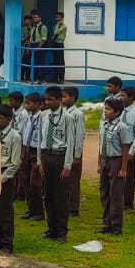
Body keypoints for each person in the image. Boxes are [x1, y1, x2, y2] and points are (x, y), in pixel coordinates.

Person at [37, 86, 74, 243]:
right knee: (48, 194)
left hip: (60, 156)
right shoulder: (43, 116)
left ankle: (61, 231)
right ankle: (51, 227)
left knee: (60, 196)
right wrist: (39, 161)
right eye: (46, 99)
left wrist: (67, 166)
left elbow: (71, 142)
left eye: (50, 100)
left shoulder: (67, 118)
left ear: (59, 100)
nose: (47, 102)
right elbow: (40, 139)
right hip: (46, 155)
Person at [97, 98, 133, 235]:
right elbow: (101, 144)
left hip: (116, 160)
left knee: (116, 193)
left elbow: (125, 148)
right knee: (104, 192)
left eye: (108, 109)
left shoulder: (122, 127)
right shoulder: (103, 125)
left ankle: (116, 226)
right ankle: (107, 223)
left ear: (117, 112)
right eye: (105, 109)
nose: (105, 112)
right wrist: (99, 163)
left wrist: (123, 168)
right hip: (105, 159)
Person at [0, 104, 21, 253]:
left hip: (5, 175)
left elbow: (14, 163)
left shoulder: (15, 137)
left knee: (5, 210)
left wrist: (2, 178)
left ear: (8, 119)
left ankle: (7, 243)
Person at [18, 92, 45, 221]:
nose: (26, 106)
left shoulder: (42, 118)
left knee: (35, 183)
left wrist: (40, 158)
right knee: (25, 180)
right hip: (26, 150)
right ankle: (31, 209)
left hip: (36, 151)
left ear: (38, 104)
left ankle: (39, 211)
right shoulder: (28, 117)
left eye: (29, 103)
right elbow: (22, 133)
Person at [118, 86, 135, 209]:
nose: (120, 98)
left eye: (123, 95)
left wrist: (132, 151)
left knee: (129, 176)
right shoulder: (118, 111)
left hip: (129, 147)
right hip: (117, 147)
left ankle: (128, 202)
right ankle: (118, 198)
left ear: (131, 97)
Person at [61, 86, 85, 216]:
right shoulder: (63, 111)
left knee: (73, 180)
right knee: (64, 179)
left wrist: (77, 155)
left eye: (65, 96)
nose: (62, 99)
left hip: (74, 150)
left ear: (73, 98)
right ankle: (65, 204)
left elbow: (79, 135)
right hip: (64, 149)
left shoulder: (77, 114)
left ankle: (73, 208)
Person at [49, 11, 67, 83]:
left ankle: (61, 78)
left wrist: (59, 25)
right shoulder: (57, 24)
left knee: (60, 61)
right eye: (56, 17)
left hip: (59, 44)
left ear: (62, 17)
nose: (56, 18)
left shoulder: (63, 26)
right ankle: (55, 77)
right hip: (55, 44)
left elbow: (56, 33)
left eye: (58, 17)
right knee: (55, 61)